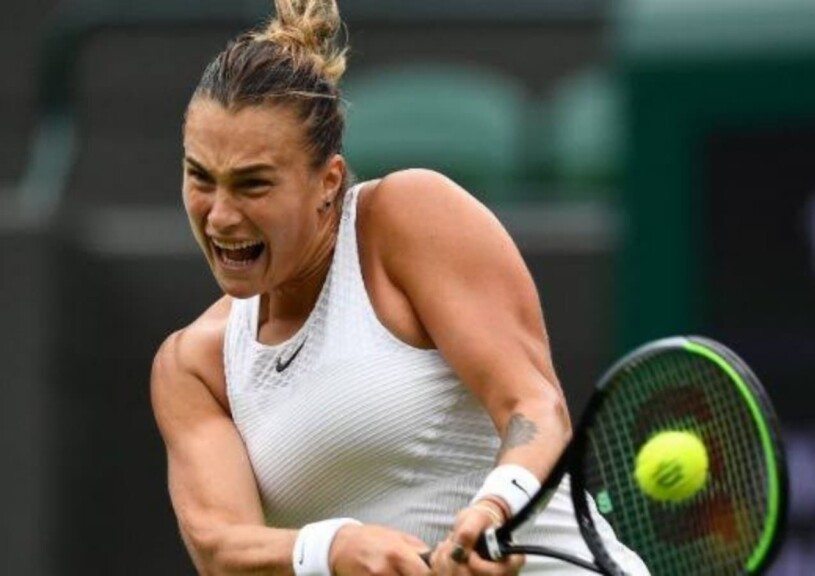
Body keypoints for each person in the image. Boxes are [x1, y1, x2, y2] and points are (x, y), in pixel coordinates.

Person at [151, 0, 649, 574]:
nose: (219, 217)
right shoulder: (195, 366)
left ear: (327, 182)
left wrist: (498, 506)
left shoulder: (408, 218)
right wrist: (332, 549)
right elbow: (220, 547)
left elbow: (533, 405)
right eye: (200, 178)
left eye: (253, 185)